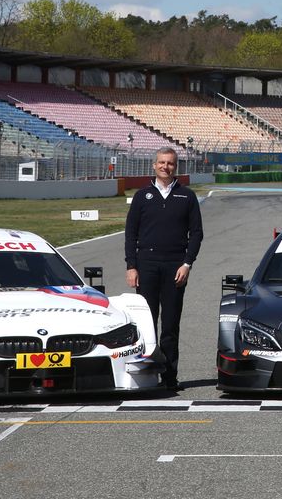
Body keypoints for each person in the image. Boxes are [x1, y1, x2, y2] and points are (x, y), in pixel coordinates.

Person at [125, 146, 204, 391]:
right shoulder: (142, 196)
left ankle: (169, 377)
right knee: (146, 323)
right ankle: (145, 375)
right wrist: (131, 266)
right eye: (161, 162)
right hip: (146, 265)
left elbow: (196, 233)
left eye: (170, 163)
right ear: (154, 165)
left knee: (170, 324)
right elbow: (130, 233)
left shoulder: (187, 196)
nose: (165, 167)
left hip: (175, 266)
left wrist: (187, 264)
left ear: (175, 166)